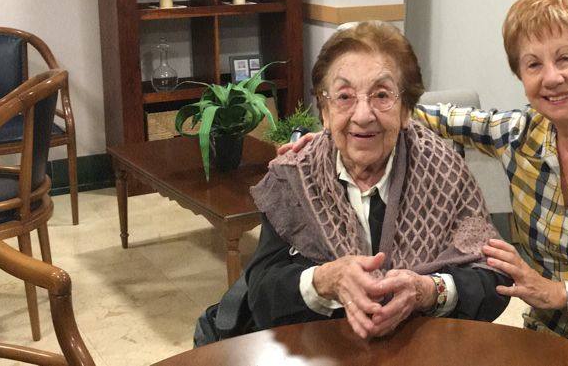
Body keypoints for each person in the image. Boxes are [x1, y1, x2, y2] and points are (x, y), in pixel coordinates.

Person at [283, 0, 568, 364]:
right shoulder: (519, 136)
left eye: (565, 58)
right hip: (548, 343)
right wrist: (331, 131)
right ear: (521, 77)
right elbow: (410, 110)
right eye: (533, 64)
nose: (551, 78)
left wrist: (558, 293)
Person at [198, 21, 510, 345]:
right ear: (324, 111)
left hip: (421, 350)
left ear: (406, 110)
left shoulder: (444, 172)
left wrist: (429, 291)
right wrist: (324, 280)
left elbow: (493, 280)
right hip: (321, 352)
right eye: (344, 96)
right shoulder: (294, 179)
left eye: (382, 95)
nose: (363, 115)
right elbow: (262, 295)